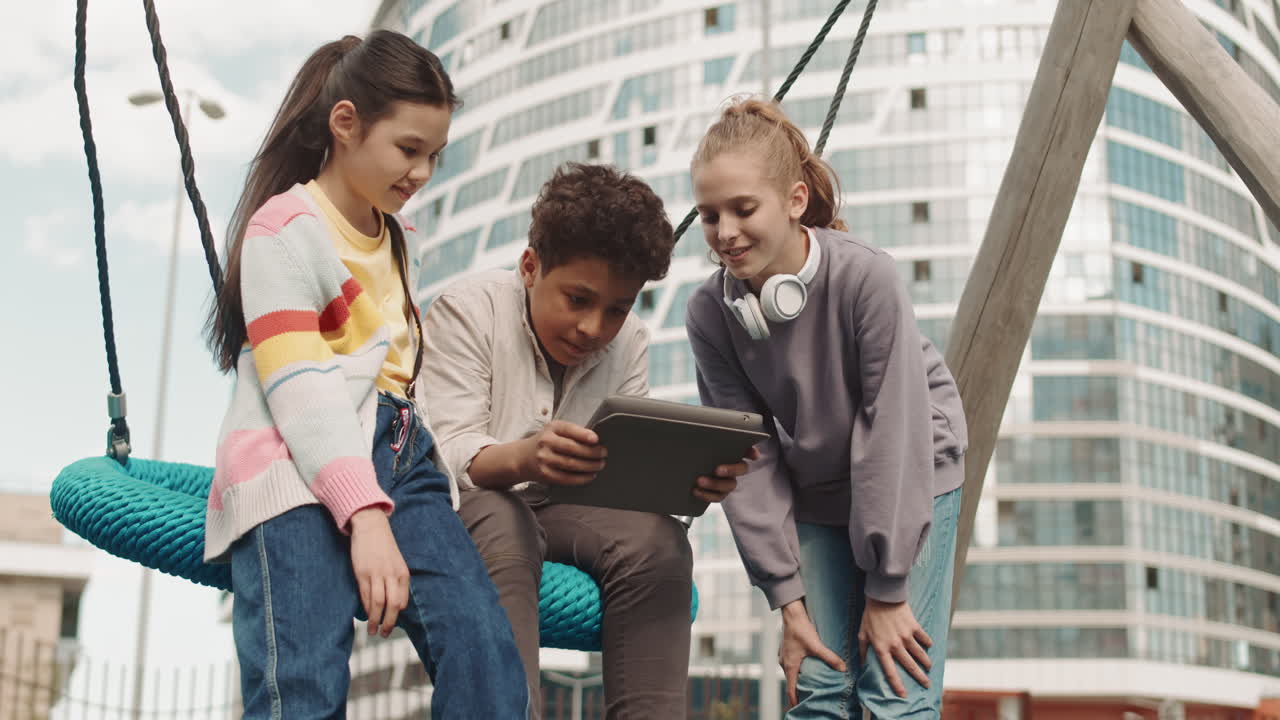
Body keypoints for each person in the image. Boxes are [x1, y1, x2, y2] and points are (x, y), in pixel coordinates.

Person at [202, 30, 526, 719]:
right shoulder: (284, 230)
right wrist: (367, 517)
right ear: (345, 124)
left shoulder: (395, 237)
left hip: (400, 459)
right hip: (294, 466)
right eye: (409, 150)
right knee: (305, 686)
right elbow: (305, 393)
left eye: (435, 155)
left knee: (483, 651)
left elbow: (400, 381)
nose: (422, 173)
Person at [418, 162, 754, 719]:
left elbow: (619, 485)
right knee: (504, 516)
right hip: (467, 503)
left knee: (660, 542)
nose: (595, 328)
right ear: (530, 267)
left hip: (566, 511)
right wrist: (524, 456)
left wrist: (684, 485)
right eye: (577, 300)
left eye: (617, 309)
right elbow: (444, 454)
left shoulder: (631, 343)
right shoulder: (468, 309)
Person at [684, 97, 969, 719]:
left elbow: (890, 429)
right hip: (814, 485)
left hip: (910, 467)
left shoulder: (867, 279)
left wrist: (888, 587)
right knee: (816, 686)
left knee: (896, 692)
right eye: (709, 214)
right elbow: (747, 457)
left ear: (794, 200)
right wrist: (788, 599)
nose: (724, 231)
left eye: (743, 208)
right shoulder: (710, 313)